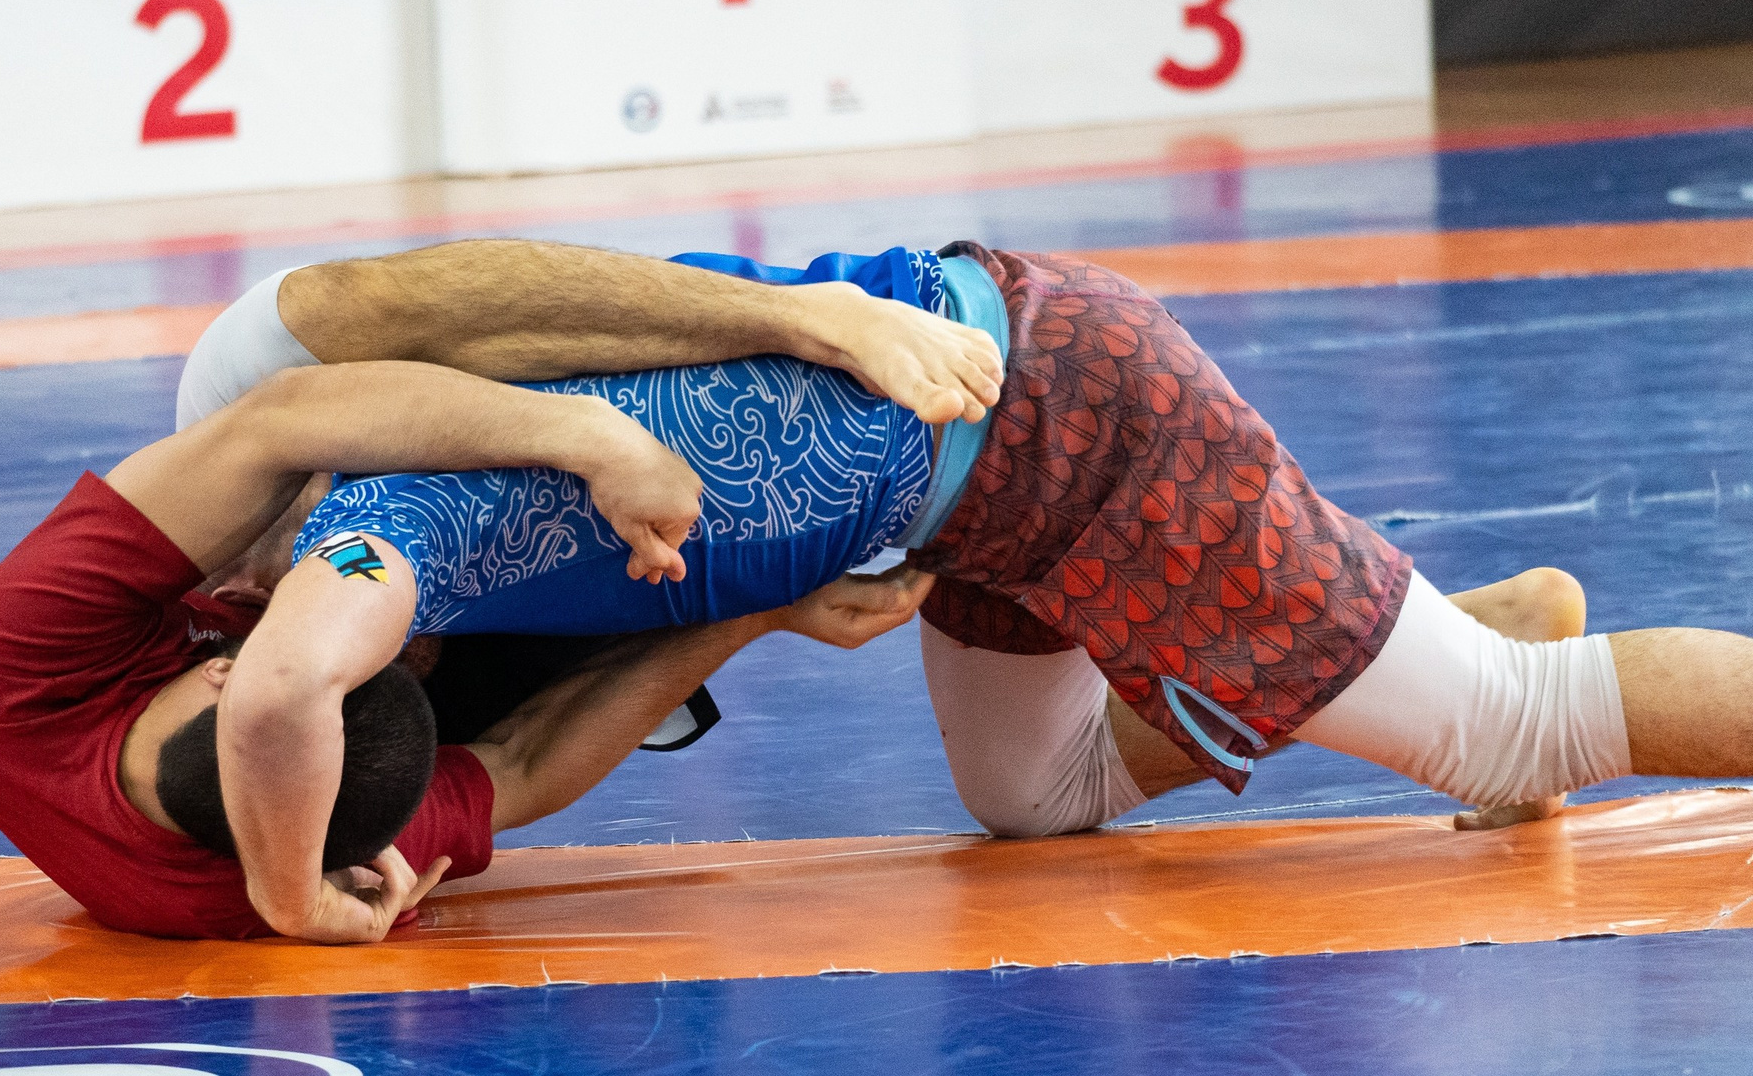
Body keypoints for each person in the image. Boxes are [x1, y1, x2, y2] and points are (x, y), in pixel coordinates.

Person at [211, 239, 1753, 915]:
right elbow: (527, 746)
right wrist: (769, 604)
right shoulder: (408, 567)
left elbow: (432, 306)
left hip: (1058, 412)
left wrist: (811, 316)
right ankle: (1459, 628)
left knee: (1517, 730)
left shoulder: (334, 473)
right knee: (1031, 794)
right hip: (977, 496)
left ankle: (1484, 670)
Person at [0, 241, 999, 942]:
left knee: (321, 317)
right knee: (626, 577)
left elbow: (284, 419)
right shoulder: (302, 865)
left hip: (266, 500)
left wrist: (587, 437)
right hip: (395, 608)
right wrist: (756, 614)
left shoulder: (4, 671)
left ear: (223, 670)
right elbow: (524, 761)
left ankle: (802, 316)